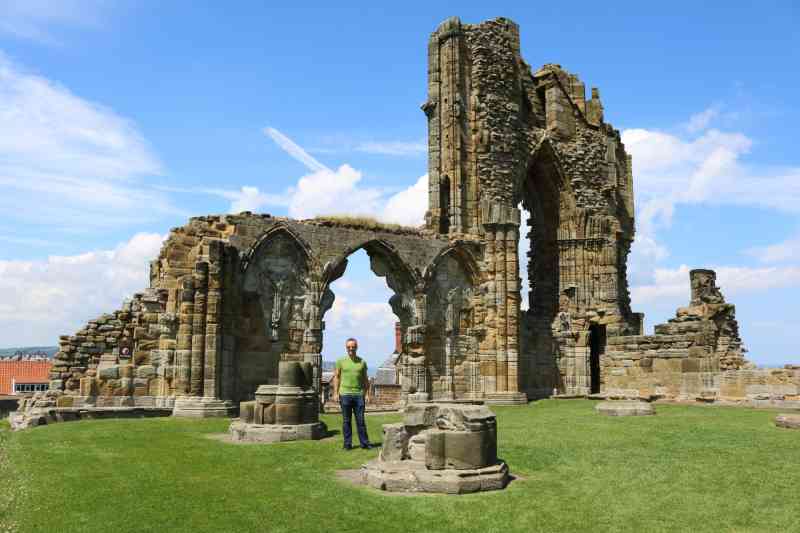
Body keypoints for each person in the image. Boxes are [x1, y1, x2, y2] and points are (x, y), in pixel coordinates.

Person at [333, 337, 371, 450]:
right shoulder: (340, 361)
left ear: (356, 347)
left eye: (353, 347)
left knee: (360, 421)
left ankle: (364, 443)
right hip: (345, 394)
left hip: (359, 395)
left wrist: (368, 394)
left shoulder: (362, 362)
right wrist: (335, 393)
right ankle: (347, 444)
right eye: (349, 347)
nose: (351, 349)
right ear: (346, 348)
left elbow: (365, 379)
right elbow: (336, 377)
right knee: (346, 421)